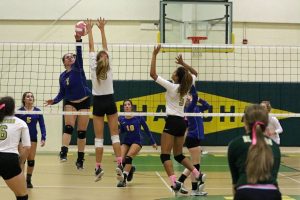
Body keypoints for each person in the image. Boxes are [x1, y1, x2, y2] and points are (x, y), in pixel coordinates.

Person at [150, 44, 206, 194]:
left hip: (172, 122)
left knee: (164, 155)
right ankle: (197, 174)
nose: (172, 73)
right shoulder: (186, 86)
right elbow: (195, 73)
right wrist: (182, 64)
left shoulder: (172, 87)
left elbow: (153, 74)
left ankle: (175, 183)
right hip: (182, 123)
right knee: (179, 155)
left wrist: (154, 54)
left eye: (174, 72)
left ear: (177, 77)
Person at [45, 33, 91, 170]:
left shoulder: (78, 68)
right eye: (67, 56)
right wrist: (54, 101)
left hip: (84, 101)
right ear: (64, 62)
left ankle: (80, 159)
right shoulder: (62, 76)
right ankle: (63, 152)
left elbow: (79, 52)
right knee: (69, 127)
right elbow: (62, 93)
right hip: (70, 102)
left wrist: (78, 40)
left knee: (82, 132)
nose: (70, 57)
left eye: (72, 56)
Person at [86, 18, 123, 182]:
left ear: (97, 60)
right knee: (115, 135)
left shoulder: (94, 68)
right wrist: (102, 29)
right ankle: (120, 164)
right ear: (106, 58)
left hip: (98, 103)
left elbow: (91, 47)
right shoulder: (109, 66)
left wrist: (89, 31)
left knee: (98, 138)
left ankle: (98, 167)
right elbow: (103, 47)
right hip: (110, 101)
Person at [227, 104, 282, 200]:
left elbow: (235, 182)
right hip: (273, 194)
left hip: (244, 193)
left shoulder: (236, 144)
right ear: (266, 123)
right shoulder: (275, 147)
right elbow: (273, 178)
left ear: (245, 122)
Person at [177, 85, 210, 196]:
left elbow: (208, 105)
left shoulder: (197, 108)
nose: (190, 97)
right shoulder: (189, 109)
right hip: (192, 138)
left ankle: (180, 182)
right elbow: (195, 97)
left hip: (196, 138)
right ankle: (194, 190)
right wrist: (191, 85)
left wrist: (199, 98)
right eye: (188, 97)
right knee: (196, 166)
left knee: (193, 165)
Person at [116, 99, 158, 187]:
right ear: (123, 107)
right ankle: (131, 169)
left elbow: (146, 129)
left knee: (128, 158)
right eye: (125, 105)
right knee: (121, 159)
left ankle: (123, 180)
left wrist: (153, 142)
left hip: (137, 141)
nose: (127, 106)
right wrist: (118, 128)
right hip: (126, 141)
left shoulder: (138, 117)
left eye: (128, 105)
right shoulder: (120, 118)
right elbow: (121, 131)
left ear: (131, 106)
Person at [0, 96, 31, 200]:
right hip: (9, 159)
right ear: (13, 108)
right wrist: (21, 162)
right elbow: (27, 147)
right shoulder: (20, 123)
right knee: (22, 195)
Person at [15, 92, 46, 188]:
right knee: (22, 160)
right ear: (24, 99)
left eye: (32, 96)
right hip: (21, 139)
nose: (30, 98)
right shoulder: (19, 112)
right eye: (28, 96)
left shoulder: (37, 111)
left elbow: (42, 125)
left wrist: (43, 137)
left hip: (33, 138)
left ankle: (28, 180)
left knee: (31, 161)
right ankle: (21, 180)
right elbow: (15, 126)